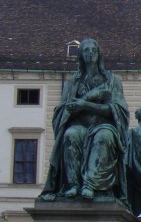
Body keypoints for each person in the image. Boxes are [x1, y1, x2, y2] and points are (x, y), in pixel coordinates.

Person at [39, 38, 129, 202]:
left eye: (93, 50)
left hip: (103, 126)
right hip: (80, 125)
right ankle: (73, 184)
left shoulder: (112, 80)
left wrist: (85, 104)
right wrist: (80, 103)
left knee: (104, 137)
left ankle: (90, 185)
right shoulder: (72, 82)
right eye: (86, 50)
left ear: (99, 54)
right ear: (80, 55)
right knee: (70, 134)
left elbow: (117, 110)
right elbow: (62, 110)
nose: (90, 53)